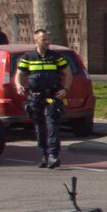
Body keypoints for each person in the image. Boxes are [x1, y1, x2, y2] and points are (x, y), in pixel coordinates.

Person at [16, 28, 71, 169]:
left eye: (48, 39)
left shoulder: (56, 57)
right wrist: (19, 85)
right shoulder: (28, 57)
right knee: (39, 126)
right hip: (36, 97)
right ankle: (44, 156)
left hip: (51, 97)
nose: (47, 42)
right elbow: (19, 74)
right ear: (36, 40)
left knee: (52, 124)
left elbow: (68, 73)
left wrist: (65, 89)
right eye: (44, 39)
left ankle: (53, 155)